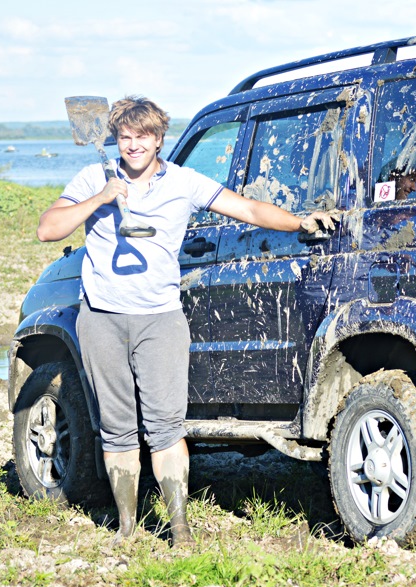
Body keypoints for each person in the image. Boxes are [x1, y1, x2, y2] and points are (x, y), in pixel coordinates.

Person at [37, 95, 338, 547]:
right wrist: (100, 199)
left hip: (160, 320)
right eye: (125, 137)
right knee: (117, 428)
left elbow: (249, 210)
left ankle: (179, 528)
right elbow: (48, 228)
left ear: (159, 139)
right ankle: (126, 528)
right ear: (115, 139)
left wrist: (298, 223)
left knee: (165, 427)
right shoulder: (93, 177)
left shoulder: (183, 182)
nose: (133, 145)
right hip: (100, 319)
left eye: (143, 137)